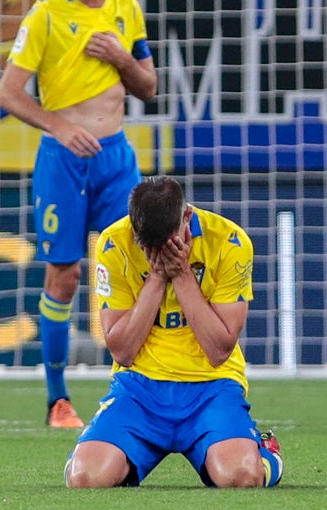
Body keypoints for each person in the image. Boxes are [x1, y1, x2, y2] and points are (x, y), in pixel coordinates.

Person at [0, 0, 157, 428]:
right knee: (64, 276)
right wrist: (59, 127)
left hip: (116, 159)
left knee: (139, 266)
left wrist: (121, 58)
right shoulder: (45, 17)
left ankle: (139, 388)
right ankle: (58, 400)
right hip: (63, 161)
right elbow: (9, 93)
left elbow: (148, 87)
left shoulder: (127, 11)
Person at [63, 176, 283, 489]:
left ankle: (266, 452)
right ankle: (93, 451)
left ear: (187, 219)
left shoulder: (230, 241)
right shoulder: (113, 243)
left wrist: (181, 276)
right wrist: (156, 278)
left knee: (241, 477)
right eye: (148, 248)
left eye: (168, 245)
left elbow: (219, 350)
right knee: (85, 480)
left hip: (211, 386)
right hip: (138, 389)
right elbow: (122, 352)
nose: (159, 254)